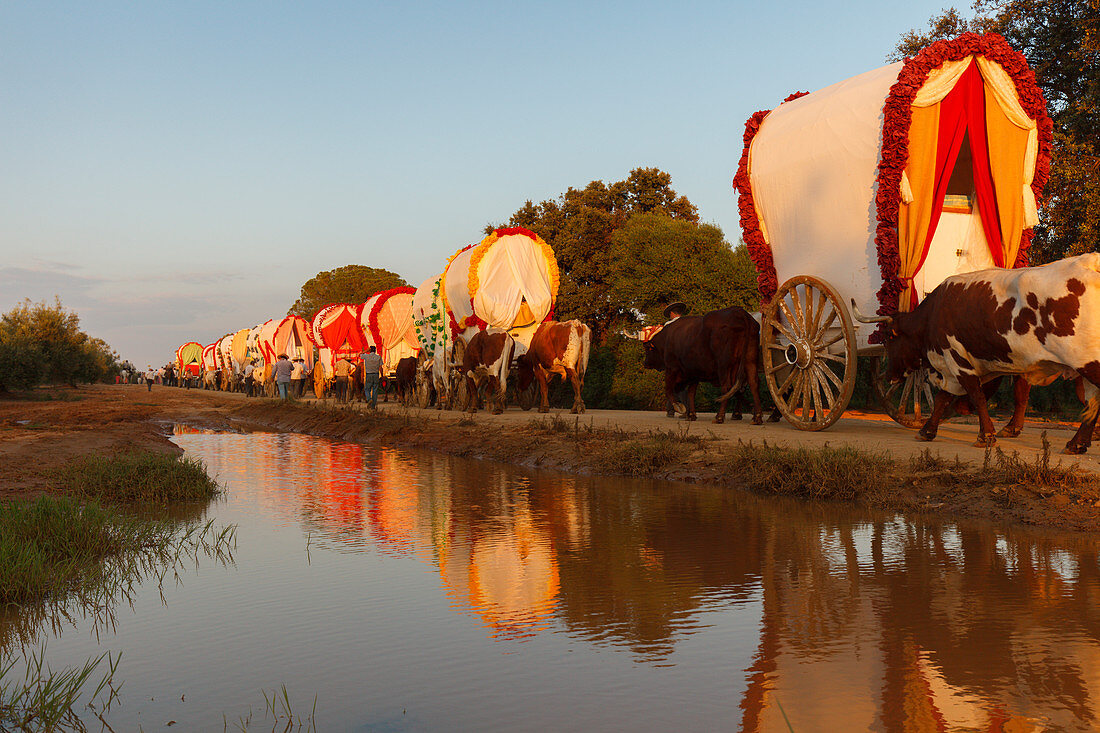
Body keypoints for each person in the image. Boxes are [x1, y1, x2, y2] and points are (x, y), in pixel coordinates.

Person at [662, 301, 690, 418]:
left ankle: (672, 410)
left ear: (672, 313)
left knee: (672, 382)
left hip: (673, 358)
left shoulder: (668, 326)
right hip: (687, 357)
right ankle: (685, 409)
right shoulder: (688, 324)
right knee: (684, 383)